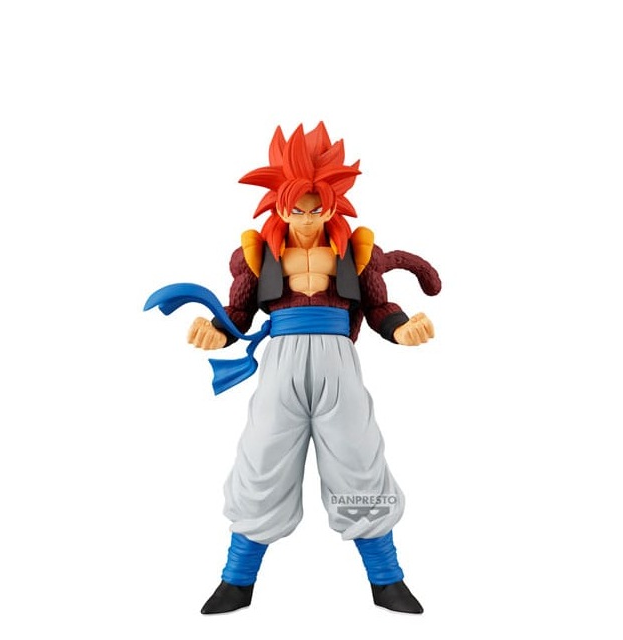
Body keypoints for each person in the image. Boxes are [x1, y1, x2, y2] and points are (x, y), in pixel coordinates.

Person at [145, 122, 441, 614]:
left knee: (358, 459)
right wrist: (217, 330)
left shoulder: (354, 251)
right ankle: (237, 579)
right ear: (279, 206)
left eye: (315, 208)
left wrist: (401, 328)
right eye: (296, 209)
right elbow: (239, 312)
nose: (306, 219)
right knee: (262, 458)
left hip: (338, 365)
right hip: (280, 364)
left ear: (333, 205)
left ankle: (386, 578)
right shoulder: (257, 254)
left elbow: (378, 307)